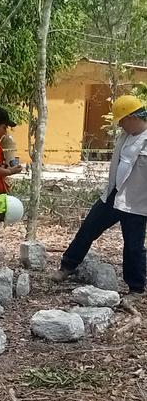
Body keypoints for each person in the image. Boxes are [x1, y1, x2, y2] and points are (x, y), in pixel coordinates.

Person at [55, 95, 147, 296]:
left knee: (133, 245)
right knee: (88, 228)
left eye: (122, 120)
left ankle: (136, 288)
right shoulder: (124, 137)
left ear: (132, 117)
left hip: (137, 201)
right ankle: (67, 266)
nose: (121, 125)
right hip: (114, 195)